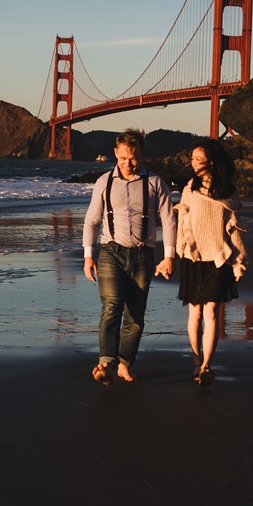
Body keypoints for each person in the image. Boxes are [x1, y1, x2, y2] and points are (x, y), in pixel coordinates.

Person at [82, 129, 176, 384]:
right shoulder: (104, 182)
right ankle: (105, 362)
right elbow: (92, 221)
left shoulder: (156, 182)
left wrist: (168, 257)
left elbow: (168, 220)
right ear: (115, 153)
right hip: (111, 252)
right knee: (111, 307)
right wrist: (88, 256)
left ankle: (124, 364)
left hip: (143, 255)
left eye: (132, 158)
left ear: (141, 155)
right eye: (122, 158)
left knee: (135, 314)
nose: (127, 164)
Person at [174, 138, 247, 386]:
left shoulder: (229, 193)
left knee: (212, 312)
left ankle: (207, 365)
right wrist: (176, 252)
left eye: (197, 159)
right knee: (195, 313)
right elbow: (183, 223)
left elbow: (233, 229)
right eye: (192, 159)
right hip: (193, 258)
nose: (193, 163)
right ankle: (196, 361)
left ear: (211, 162)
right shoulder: (189, 190)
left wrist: (239, 262)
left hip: (218, 258)